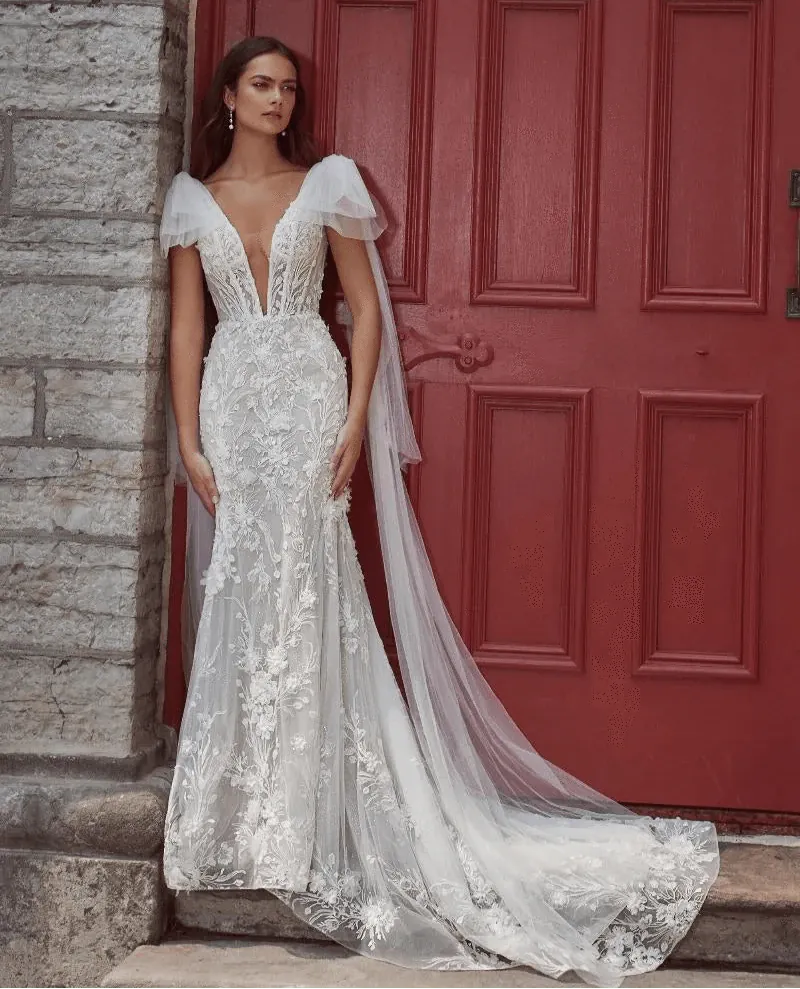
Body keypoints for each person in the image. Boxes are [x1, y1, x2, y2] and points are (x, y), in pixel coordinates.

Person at [160, 34, 719, 988]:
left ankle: (308, 811)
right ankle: (243, 808)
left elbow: (366, 309)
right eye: (262, 86)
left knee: (312, 584)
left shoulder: (327, 180)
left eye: (290, 89)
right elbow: (187, 322)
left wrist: (350, 421)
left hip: (304, 391)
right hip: (231, 400)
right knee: (246, 584)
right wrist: (186, 438)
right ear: (227, 94)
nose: (279, 102)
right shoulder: (190, 198)